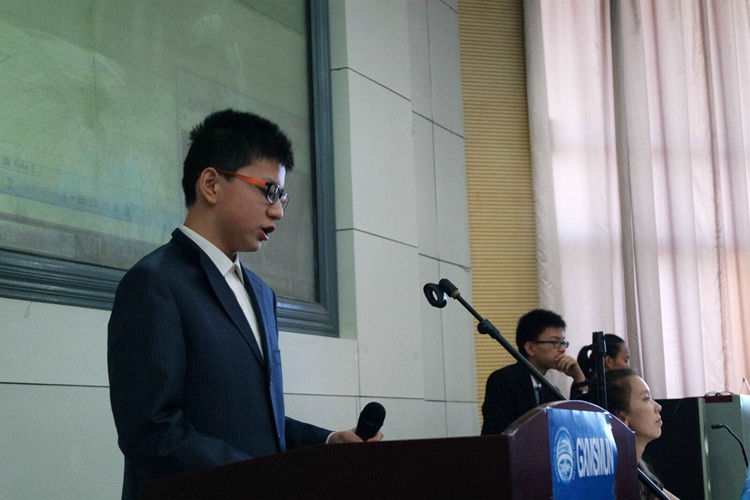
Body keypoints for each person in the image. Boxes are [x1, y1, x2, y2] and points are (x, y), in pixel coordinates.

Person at [107, 109, 382, 499]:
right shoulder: (154, 282)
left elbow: (254, 424)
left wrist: (325, 443)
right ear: (211, 184)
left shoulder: (261, 293)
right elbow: (151, 432)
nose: (278, 211)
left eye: (282, 197)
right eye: (269, 191)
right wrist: (260, 479)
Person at [481, 308, 587, 435]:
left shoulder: (551, 392)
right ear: (530, 348)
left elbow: (575, 425)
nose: (562, 349)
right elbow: (502, 432)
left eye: (563, 342)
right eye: (555, 342)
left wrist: (578, 377)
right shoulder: (503, 380)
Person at [585, 368, 679, 500]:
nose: (658, 407)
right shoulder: (613, 481)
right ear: (622, 417)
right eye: (646, 399)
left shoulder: (640, 470)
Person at [571, 333, 630, 398]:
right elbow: (585, 400)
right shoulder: (588, 386)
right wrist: (582, 385)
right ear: (609, 361)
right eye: (625, 360)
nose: (628, 366)